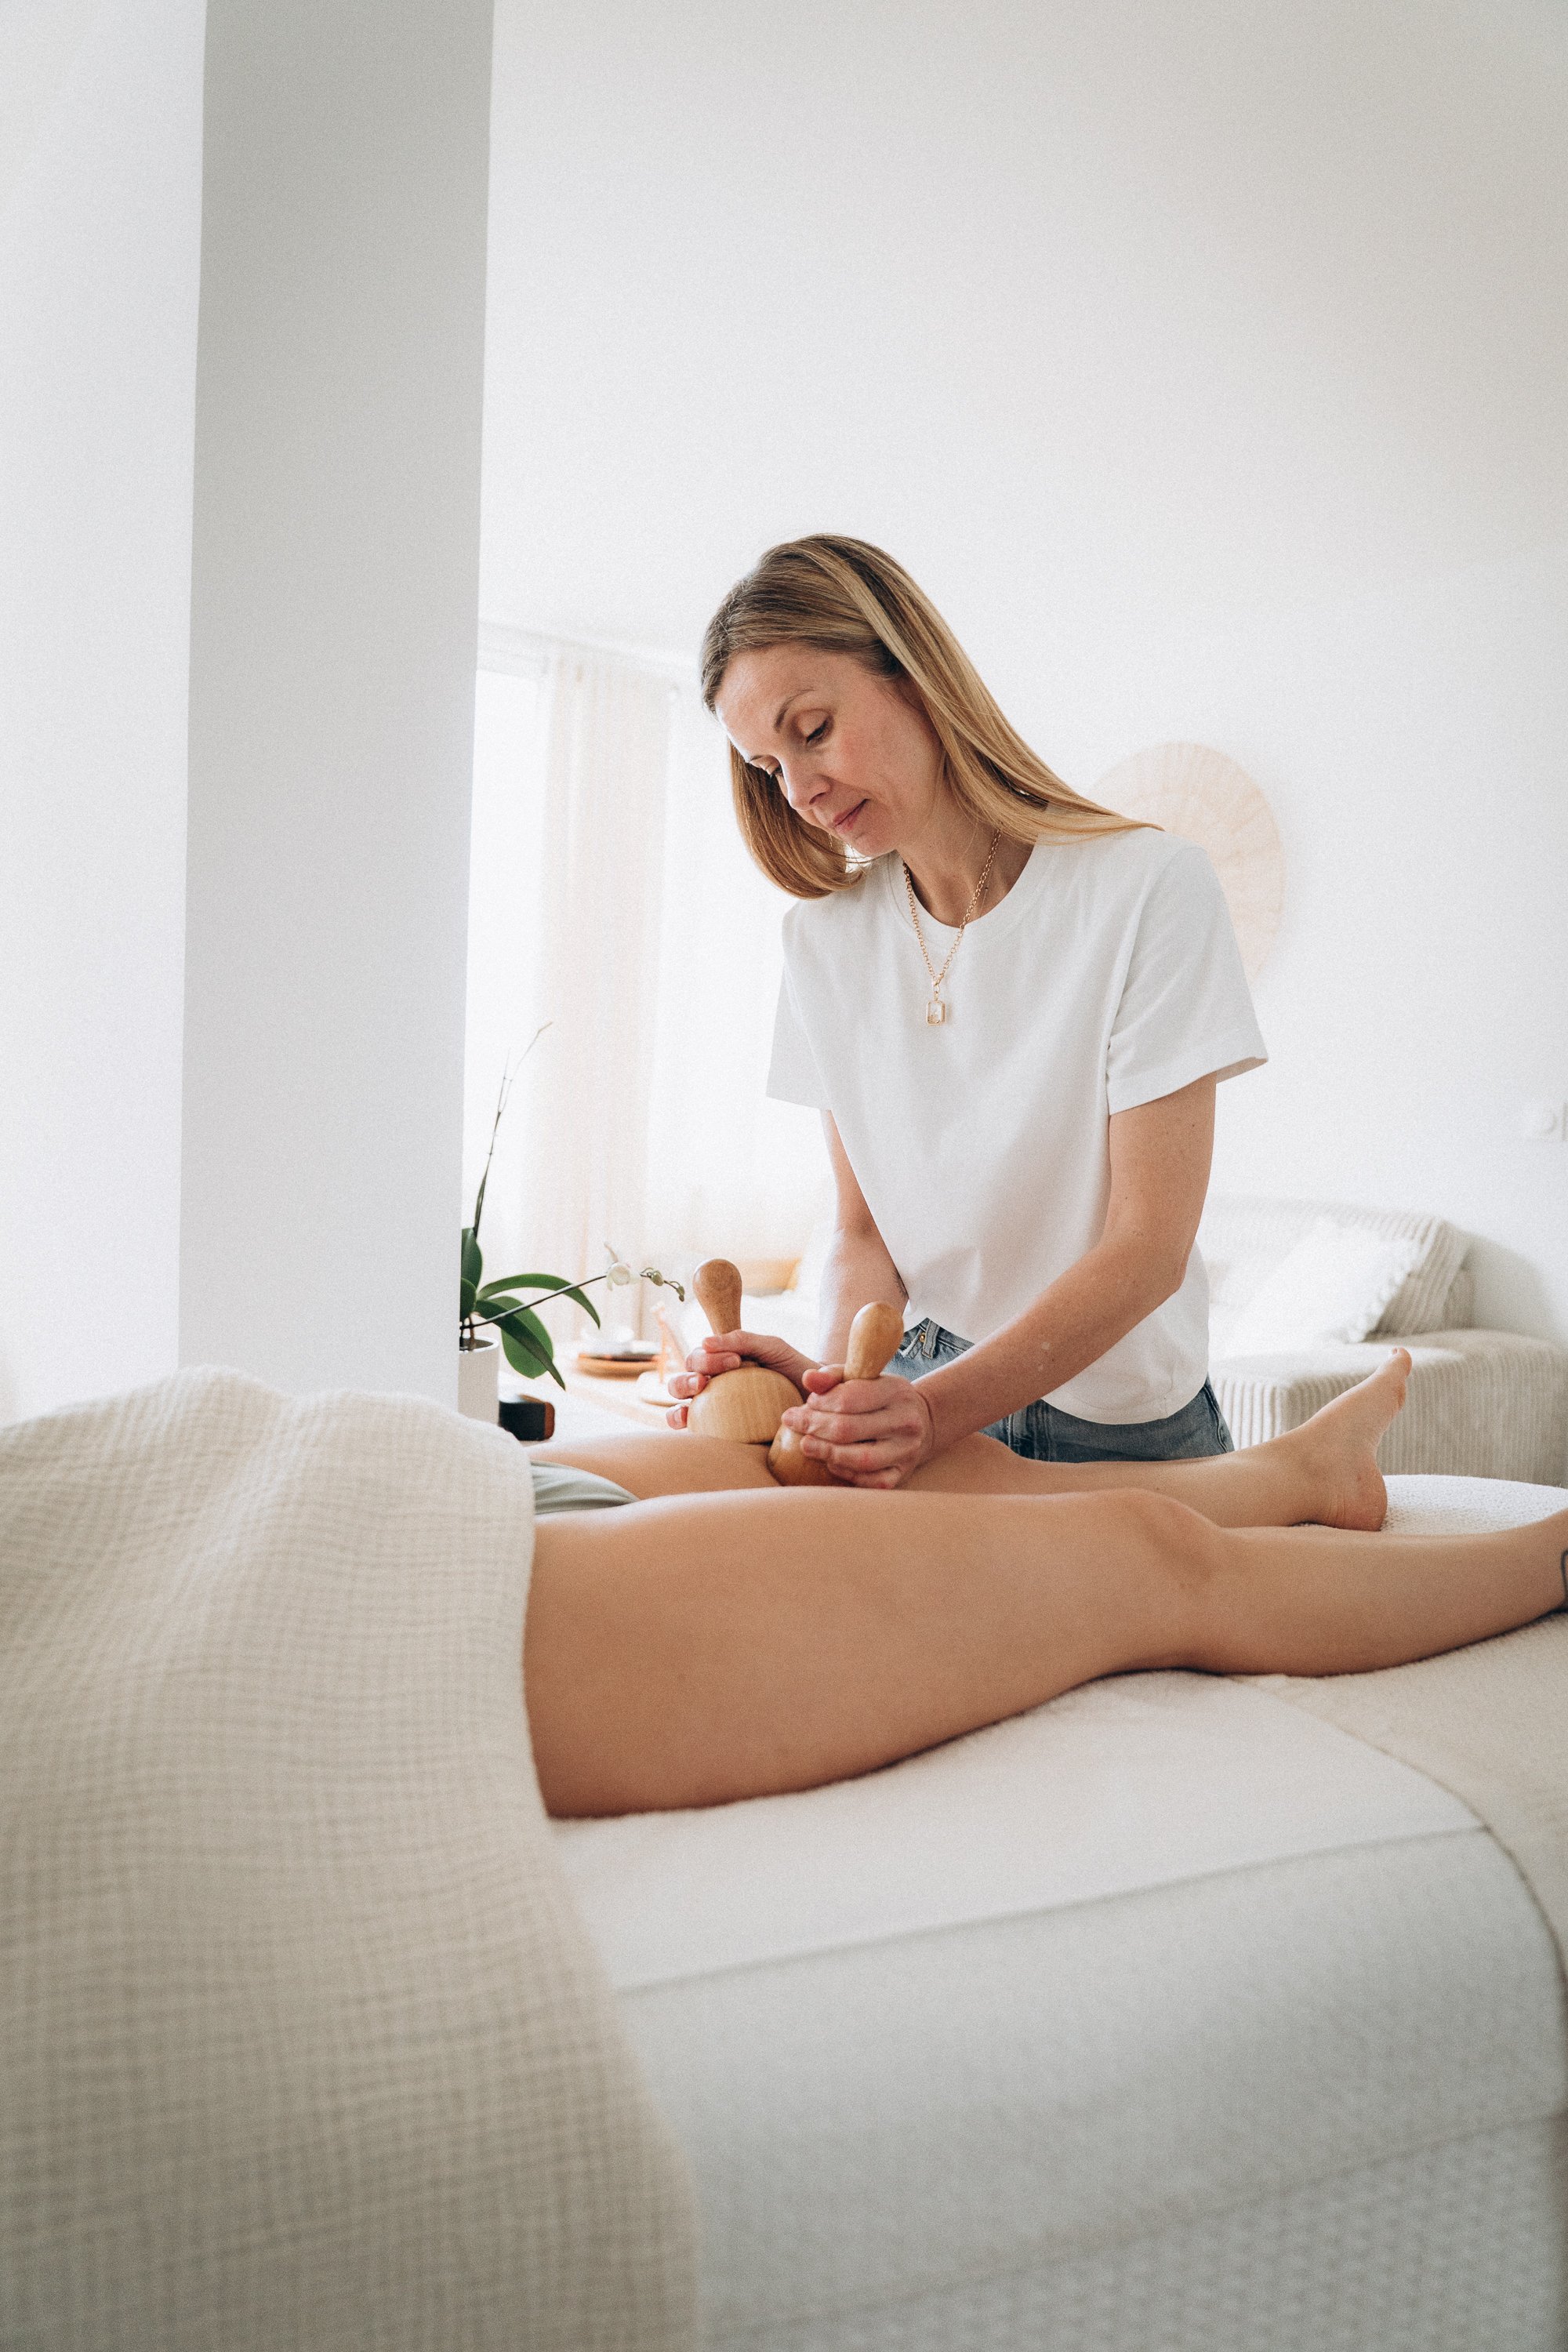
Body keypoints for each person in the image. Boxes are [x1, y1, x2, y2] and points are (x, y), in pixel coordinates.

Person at [669, 534, 1269, 1487]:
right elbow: (863, 1236)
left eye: (811, 730)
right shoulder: (820, 943)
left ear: (913, 676)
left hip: (1118, 1421)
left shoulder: (1146, 888)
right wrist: (835, 1392)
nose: (800, 791)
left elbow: (1146, 1247)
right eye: (767, 766)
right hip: (920, 1382)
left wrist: (931, 1411)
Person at [521, 1353, 1568, 1820]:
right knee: (1144, 1555)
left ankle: (1295, 1476)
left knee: (889, 1468)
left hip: (495, 1491)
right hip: (483, 1578)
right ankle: (1549, 1557)